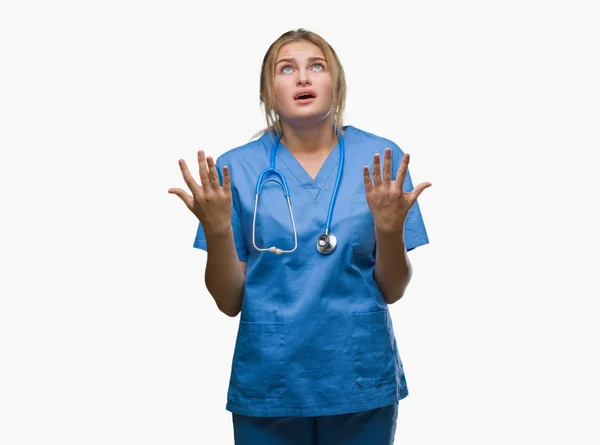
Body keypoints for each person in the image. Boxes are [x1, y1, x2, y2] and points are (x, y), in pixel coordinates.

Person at [168, 28, 431, 445]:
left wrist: (389, 227)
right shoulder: (236, 170)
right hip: (270, 381)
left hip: (356, 378)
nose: (303, 78)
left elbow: (394, 289)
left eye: (317, 66)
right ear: (268, 92)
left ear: (337, 85)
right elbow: (227, 301)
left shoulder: (381, 160)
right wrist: (218, 230)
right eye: (286, 69)